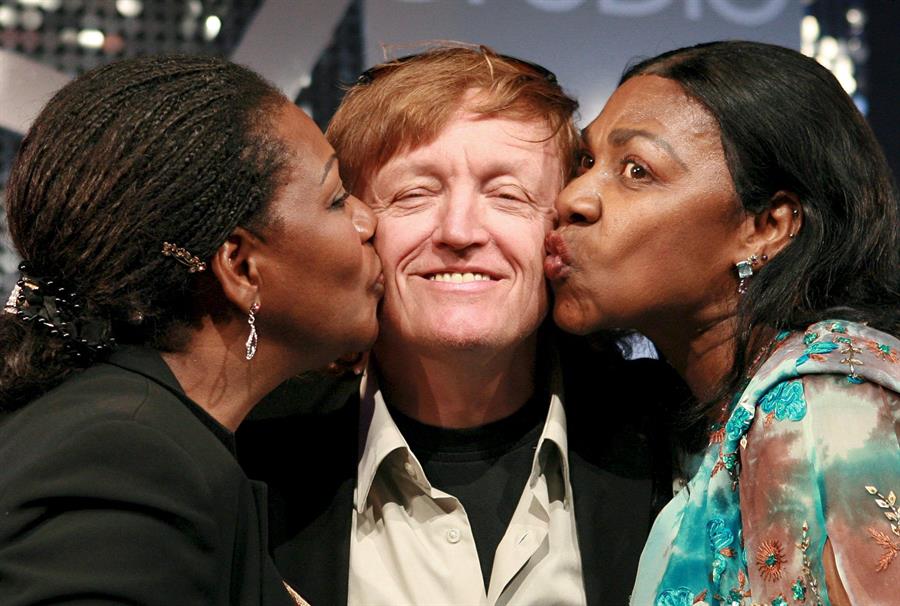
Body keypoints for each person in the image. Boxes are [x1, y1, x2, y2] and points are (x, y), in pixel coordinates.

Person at [238, 45, 684, 606]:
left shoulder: (675, 441)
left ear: (563, 227)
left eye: (507, 194)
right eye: (414, 194)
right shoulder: (249, 453)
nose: (459, 230)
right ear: (356, 225)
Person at [0, 55, 383, 605]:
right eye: (337, 200)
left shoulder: (106, 421)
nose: (368, 221)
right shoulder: (131, 459)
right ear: (242, 268)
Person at [545, 40, 900, 605]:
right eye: (586, 163)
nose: (574, 198)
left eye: (637, 170)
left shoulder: (820, 403)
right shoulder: (704, 415)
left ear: (766, 227)